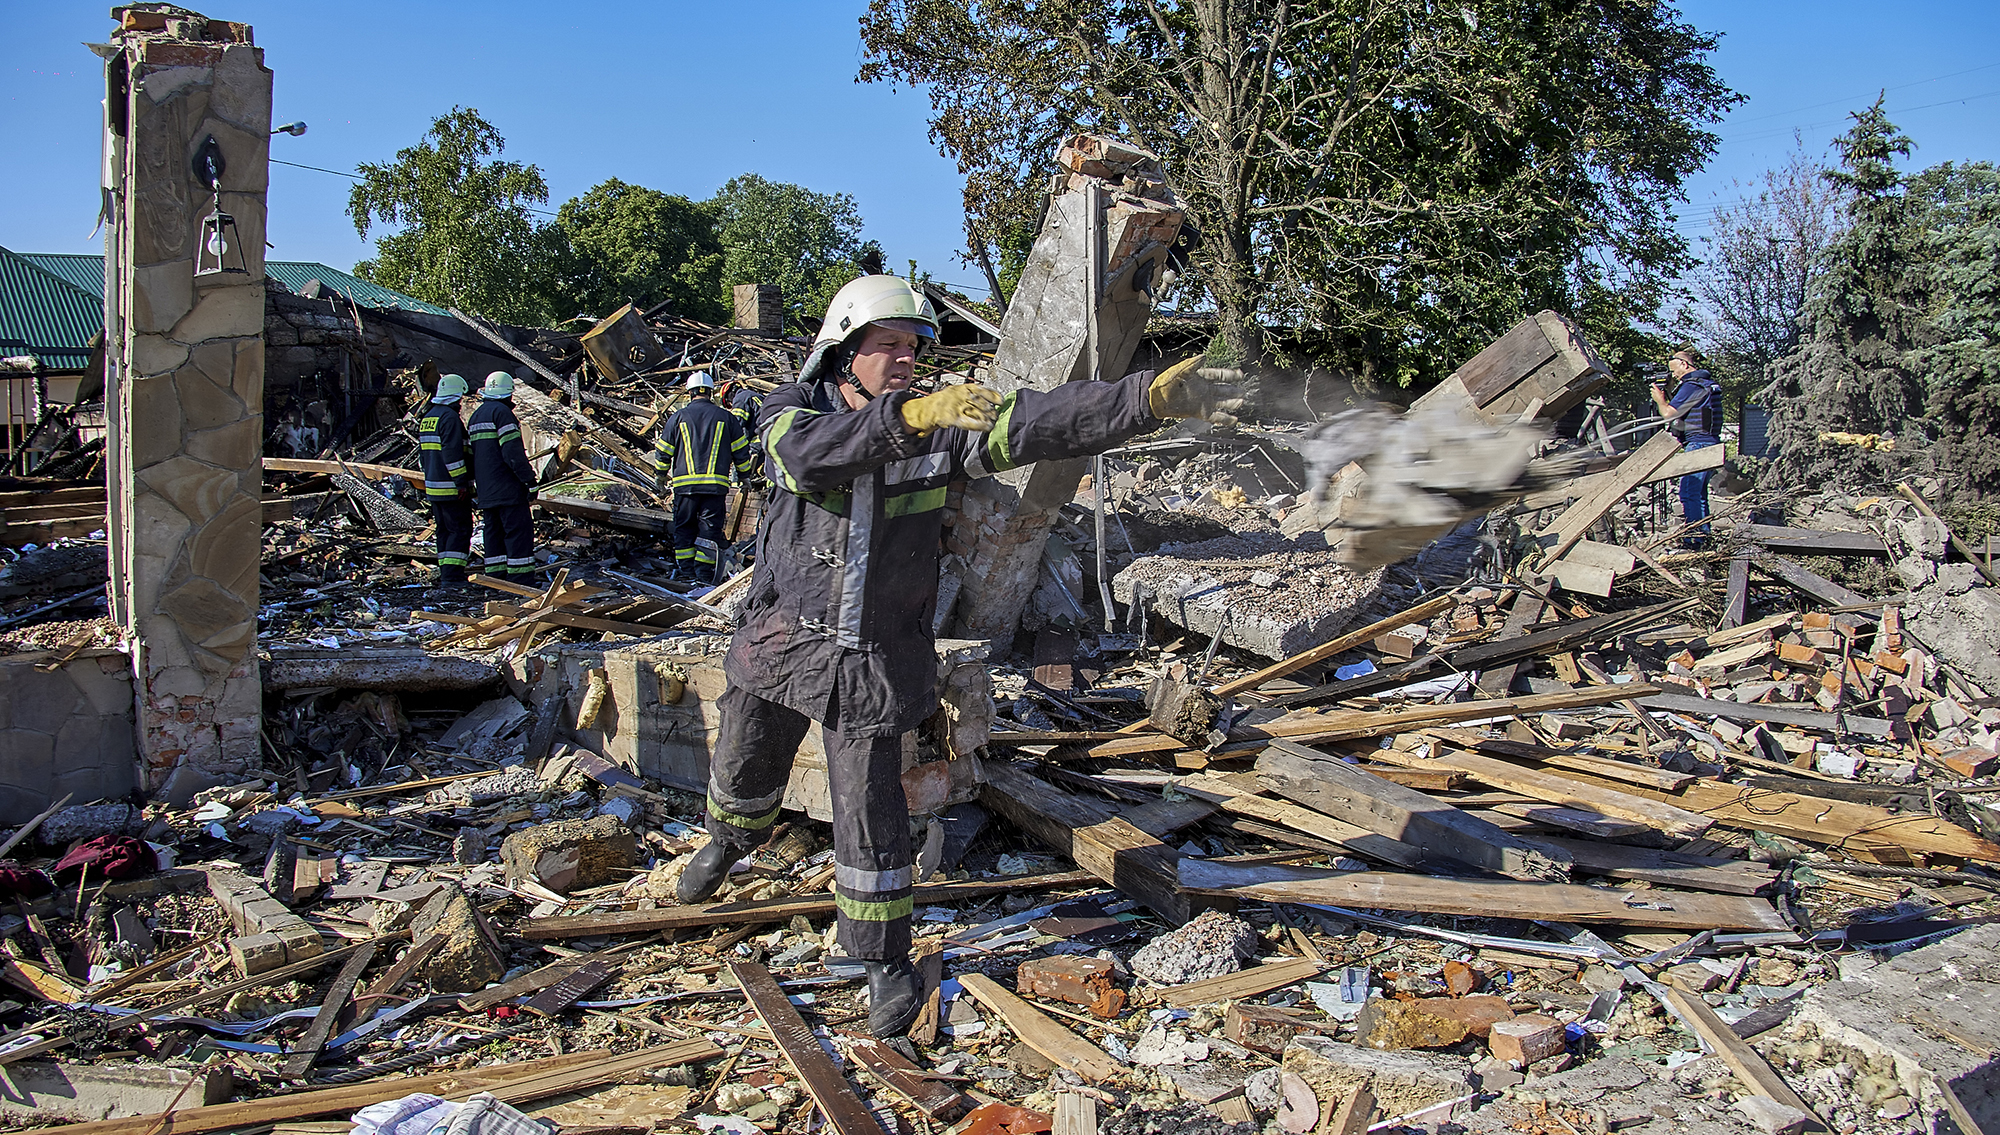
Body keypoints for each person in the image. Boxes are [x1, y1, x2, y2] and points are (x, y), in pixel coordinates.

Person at [674, 275, 1242, 1038]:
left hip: (872, 657)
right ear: (843, 352)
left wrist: (1144, 400)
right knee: (745, 764)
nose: (906, 358)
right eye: (888, 346)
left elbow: (1041, 421)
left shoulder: (942, 429)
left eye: (914, 347)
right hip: (783, 640)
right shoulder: (791, 414)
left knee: (871, 812)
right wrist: (907, 419)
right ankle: (726, 845)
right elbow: (812, 460)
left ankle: (882, 959)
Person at [654, 372, 754, 585]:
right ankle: (703, 574)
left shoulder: (678, 417)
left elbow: (664, 451)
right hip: (715, 487)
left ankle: (686, 572)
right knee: (709, 530)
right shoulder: (726, 417)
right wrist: (744, 477)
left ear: (690, 393)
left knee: (684, 527)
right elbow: (741, 451)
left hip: (684, 487)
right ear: (711, 392)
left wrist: (660, 477)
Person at [467, 371, 540, 579]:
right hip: (507, 487)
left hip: (486, 491)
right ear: (509, 394)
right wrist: (529, 481)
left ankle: (495, 579)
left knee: (493, 534)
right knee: (518, 532)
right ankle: (520, 579)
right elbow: (512, 453)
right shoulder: (502, 413)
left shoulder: (476, 416)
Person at [1650, 349, 1724, 549]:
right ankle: (1702, 536)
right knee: (1698, 494)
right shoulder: (1707, 384)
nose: (1673, 375)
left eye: (1674, 371)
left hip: (1699, 444)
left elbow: (1669, 414)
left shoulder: (1692, 386)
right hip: (1708, 442)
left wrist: (1659, 399)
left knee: (1689, 492)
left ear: (1684, 364)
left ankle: (1695, 540)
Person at [417, 373, 475, 586]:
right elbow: (452, 454)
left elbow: (424, 456)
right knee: (459, 529)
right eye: (460, 399)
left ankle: (445, 573)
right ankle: (453, 577)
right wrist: (461, 483)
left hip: (433, 486)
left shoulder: (428, 417)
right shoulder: (449, 418)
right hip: (451, 488)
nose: (461, 404)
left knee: (443, 530)